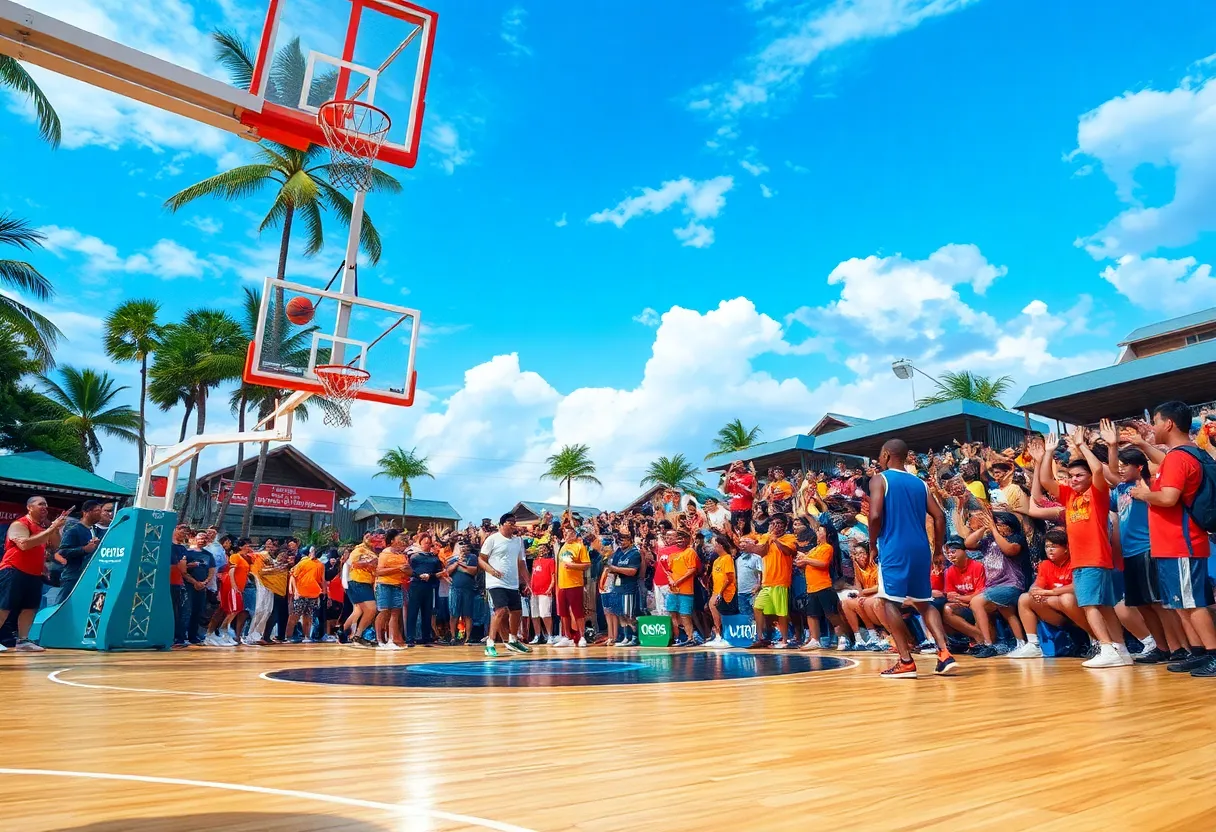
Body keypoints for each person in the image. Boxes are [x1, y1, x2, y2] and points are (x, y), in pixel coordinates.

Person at [1127, 401, 1216, 677]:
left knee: (1192, 603)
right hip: (1172, 543)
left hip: (1182, 541)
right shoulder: (1185, 454)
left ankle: (1212, 654)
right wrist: (1142, 444)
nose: (1152, 427)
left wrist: (1144, 495)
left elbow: (1168, 498)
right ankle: (1199, 652)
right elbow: (1164, 462)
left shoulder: (1179, 457)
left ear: (1168, 424)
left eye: (1155, 421)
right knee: (1181, 604)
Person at [868, 438, 956, 678]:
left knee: (888, 602)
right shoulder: (920, 483)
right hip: (921, 548)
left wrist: (872, 543)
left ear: (886, 455)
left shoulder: (880, 479)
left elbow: (875, 515)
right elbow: (939, 516)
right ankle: (944, 653)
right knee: (923, 601)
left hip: (895, 546)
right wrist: (938, 550)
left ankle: (906, 661)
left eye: (879, 454)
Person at [1040, 429, 1129, 668]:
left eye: (1079, 475)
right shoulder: (1069, 496)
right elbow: (1046, 481)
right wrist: (1047, 453)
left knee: (1089, 605)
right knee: (1105, 607)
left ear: (1089, 477)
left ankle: (1107, 648)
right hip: (1083, 560)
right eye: (1071, 476)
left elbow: (1099, 470)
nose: (1074, 479)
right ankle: (1121, 651)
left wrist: (1082, 446)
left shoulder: (1097, 492)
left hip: (1094, 558)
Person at [1008, 529, 1089, 658]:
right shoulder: (1045, 564)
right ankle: (1033, 645)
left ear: (1066, 548)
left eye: (1054, 546)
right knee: (1024, 598)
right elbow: (1038, 584)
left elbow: (1077, 586)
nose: (1049, 550)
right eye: (1047, 546)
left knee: (1066, 598)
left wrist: (1048, 592)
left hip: (1077, 609)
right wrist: (1035, 591)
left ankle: (1093, 637)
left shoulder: (1075, 562)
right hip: (1058, 613)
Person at [0, 495, 66, 651]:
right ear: (29, 507)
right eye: (40, 504)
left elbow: (56, 546)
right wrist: (50, 529)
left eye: (46, 504)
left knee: (30, 607)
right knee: (4, 606)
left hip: (34, 573)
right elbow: (24, 545)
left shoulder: (43, 528)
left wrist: (55, 529)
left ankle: (23, 641)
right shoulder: (20, 524)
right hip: (13, 569)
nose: (45, 507)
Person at [964, 511, 1030, 658]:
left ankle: (987, 644)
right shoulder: (988, 540)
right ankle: (1021, 643)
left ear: (1010, 526)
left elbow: (1009, 550)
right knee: (1008, 612)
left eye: (999, 523)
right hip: (994, 585)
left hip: (1012, 584)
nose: (996, 526)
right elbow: (968, 543)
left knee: (976, 603)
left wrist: (993, 529)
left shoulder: (1016, 539)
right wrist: (984, 528)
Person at [739, 513, 796, 649]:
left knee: (781, 612)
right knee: (757, 607)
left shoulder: (790, 537)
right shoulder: (765, 537)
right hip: (767, 581)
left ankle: (784, 641)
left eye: (779, 524)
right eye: (773, 523)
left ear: (785, 526)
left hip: (781, 580)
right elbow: (762, 552)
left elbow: (788, 552)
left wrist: (775, 539)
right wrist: (767, 539)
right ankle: (761, 638)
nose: (775, 526)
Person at [479, 513, 532, 656]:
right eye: (509, 522)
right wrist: (492, 570)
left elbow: (521, 563)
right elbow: (481, 559)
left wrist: (529, 581)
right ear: (501, 524)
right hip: (495, 582)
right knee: (500, 611)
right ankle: (490, 643)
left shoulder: (518, 541)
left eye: (514, 522)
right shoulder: (492, 539)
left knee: (517, 611)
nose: (513, 524)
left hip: (512, 582)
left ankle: (513, 640)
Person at [794, 519, 849, 651]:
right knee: (811, 614)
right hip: (811, 587)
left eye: (820, 531)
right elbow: (804, 564)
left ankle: (843, 637)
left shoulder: (827, 548)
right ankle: (815, 639)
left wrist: (806, 559)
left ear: (827, 535)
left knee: (831, 614)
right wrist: (801, 561)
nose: (817, 532)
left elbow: (823, 564)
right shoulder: (814, 549)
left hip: (823, 586)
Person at [54, 500, 104, 605]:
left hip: (90, 577)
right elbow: (63, 551)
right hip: (73, 577)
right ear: (86, 512)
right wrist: (84, 549)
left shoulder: (96, 530)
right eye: (97, 511)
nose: (100, 514)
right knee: (63, 605)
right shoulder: (74, 530)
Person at [942, 536, 985, 645]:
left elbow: (980, 592)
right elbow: (950, 596)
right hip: (962, 605)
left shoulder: (978, 566)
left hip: (977, 604)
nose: (950, 555)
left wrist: (963, 598)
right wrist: (965, 599)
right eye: (948, 553)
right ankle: (977, 635)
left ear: (964, 551)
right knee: (944, 609)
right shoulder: (949, 571)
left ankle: (980, 637)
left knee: (977, 604)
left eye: (953, 552)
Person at [553, 525, 590, 648]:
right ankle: (567, 636)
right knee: (563, 613)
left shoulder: (580, 547)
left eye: (569, 533)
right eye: (565, 533)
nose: (566, 535)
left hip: (575, 584)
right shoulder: (563, 547)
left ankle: (582, 636)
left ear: (574, 534)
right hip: (562, 584)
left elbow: (586, 565)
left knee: (578, 612)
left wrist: (573, 566)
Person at [344, 531, 382, 647]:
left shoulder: (374, 552)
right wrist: (368, 562)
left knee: (359, 611)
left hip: (367, 582)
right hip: (357, 581)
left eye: (373, 536)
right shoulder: (359, 550)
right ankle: (357, 635)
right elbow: (352, 563)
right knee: (371, 609)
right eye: (367, 536)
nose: (370, 538)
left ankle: (343, 633)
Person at [604, 530, 641, 646]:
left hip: (629, 587)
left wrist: (616, 569)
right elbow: (612, 567)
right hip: (617, 586)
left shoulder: (635, 553)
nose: (621, 542)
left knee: (628, 614)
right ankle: (626, 637)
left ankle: (634, 637)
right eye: (619, 540)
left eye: (624, 540)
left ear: (630, 540)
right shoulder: (618, 552)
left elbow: (633, 571)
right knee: (620, 613)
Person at [374, 529, 410, 649]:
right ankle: (379, 640)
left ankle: (391, 640)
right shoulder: (385, 553)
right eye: (399, 539)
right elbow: (378, 571)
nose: (401, 541)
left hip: (397, 585)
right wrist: (398, 568)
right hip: (384, 585)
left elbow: (409, 571)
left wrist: (406, 570)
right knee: (384, 612)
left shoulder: (401, 555)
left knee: (395, 613)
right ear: (393, 540)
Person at [666, 530, 701, 646]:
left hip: (686, 589)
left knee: (685, 614)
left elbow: (692, 570)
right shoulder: (672, 554)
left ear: (687, 540)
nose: (679, 541)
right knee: (672, 612)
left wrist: (679, 581)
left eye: (682, 539)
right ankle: (680, 637)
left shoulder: (690, 551)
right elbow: (669, 570)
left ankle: (691, 637)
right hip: (673, 589)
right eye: (678, 539)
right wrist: (671, 580)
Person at [406, 533, 442, 647]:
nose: (427, 544)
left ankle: (426, 636)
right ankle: (410, 637)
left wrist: (430, 576)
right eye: (425, 542)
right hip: (416, 585)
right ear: (420, 543)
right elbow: (409, 570)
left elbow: (438, 572)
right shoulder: (414, 556)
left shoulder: (434, 558)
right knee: (413, 611)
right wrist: (419, 576)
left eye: (428, 542)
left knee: (427, 612)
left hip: (429, 586)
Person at [287, 546, 324, 644]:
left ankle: (307, 636)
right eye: (313, 551)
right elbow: (293, 576)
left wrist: (324, 591)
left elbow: (322, 579)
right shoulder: (302, 562)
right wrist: (295, 591)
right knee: (294, 616)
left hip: (313, 594)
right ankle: (288, 637)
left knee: (308, 617)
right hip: (301, 593)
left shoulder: (320, 565)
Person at [705, 533, 737, 648]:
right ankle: (718, 636)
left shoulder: (727, 558)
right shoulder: (716, 560)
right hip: (716, 591)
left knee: (724, 615)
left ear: (721, 545)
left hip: (726, 592)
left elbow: (729, 578)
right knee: (714, 614)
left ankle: (726, 637)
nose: (714, 547)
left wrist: (720, 593)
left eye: (716, 545)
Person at [447, 534, 480, 645]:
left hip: (468, 589)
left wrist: (462, 566)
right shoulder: (452, 558)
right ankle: (453, 636)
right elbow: (448, 572)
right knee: (453, 613)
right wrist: (457, 563)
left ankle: (468, 637)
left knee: (468, 614)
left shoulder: (473, 557)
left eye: (465, 547)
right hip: (455, 588)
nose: (463, 549)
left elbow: (473, 571)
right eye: (461, 547)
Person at [183, 531, 215, 646]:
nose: (202, 541)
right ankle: (182, 636)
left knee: (198, 611)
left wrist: (205, 582)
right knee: (187, 610)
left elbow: (212, 570)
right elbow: (183, 570)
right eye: (200, 538)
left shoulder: (209, 555)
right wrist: (194, 582)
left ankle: (193, 636)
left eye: (205, 539)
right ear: (195, 539)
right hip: (189, 585)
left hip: (202, 586)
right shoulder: (187, 552)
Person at [724, 461, 757, 533]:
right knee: (736, 533)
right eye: (734, 464)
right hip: (734, 509)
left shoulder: (750, 476)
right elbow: (726, 491)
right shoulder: (731, 478)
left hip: (746, 508)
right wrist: (727, 478)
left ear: (743, 465)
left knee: (747, 532)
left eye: (739, 463)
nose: (736, 465)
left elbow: (755, 494)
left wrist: (745, 488)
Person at [735, 540, 763, 615]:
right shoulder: (738, 560)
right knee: (745, 616)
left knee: (757, 615)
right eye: (741, 542)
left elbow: (761, 573)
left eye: (746, 542)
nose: (743, 544)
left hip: (753, 592)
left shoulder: (757, 558)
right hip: (741, 593)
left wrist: (759, 585)